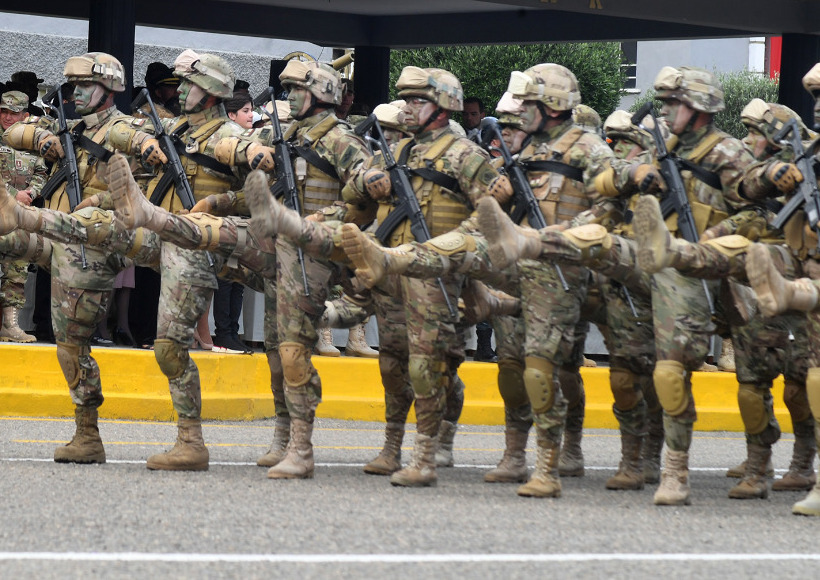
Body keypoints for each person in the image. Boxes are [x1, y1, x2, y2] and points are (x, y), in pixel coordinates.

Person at [2, 52, 140, 465]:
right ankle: (87, 436)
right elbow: (11, 134)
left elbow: (129, 193)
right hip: (58, 237)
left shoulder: (124, 131)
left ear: (109, 89)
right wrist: (42, 139)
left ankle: (88, 434)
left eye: (84, 86)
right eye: (73, 86)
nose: (75, 93)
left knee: (71, 346)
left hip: (91, 247)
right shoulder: (68, 128)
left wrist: (92, 201)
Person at [0, 90, 48, 342]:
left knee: (17, 269)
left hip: (21, 217)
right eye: (3, 112)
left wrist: (32, 191)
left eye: (14, 112)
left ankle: (10, 324)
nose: (8, 117)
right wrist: (12, 194)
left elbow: (43, 171)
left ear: (25, 115)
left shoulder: (30, 141)